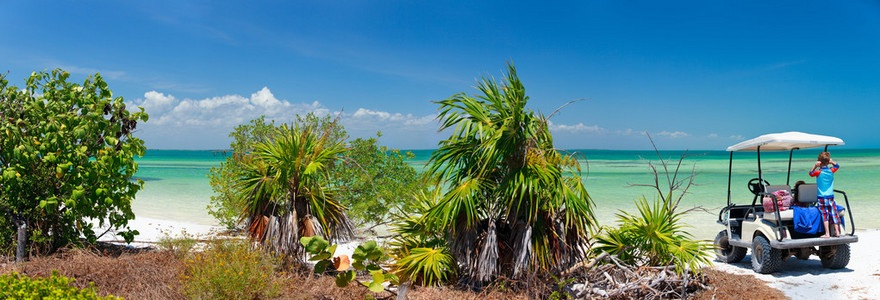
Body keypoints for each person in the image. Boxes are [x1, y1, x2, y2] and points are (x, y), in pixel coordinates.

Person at [809, 152, 841, 237]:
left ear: (819, 162)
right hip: (830, 196)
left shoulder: (818, 172)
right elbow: (837, 166)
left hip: (822, 197)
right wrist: (832, 162)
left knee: (825, 214)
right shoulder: (831, 171)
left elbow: (810, 173)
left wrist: (815, 166)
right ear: (828, 162)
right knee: (833, 213)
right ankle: (837, 232)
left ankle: (827, 233)